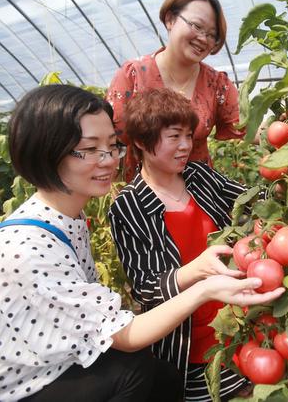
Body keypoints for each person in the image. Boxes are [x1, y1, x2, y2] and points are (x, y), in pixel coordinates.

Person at [0, 85, 283, 402]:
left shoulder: (66, 217)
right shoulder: (26, 249)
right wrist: (203, 286)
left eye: (111, 146)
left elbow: (252, 200)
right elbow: (126, 329)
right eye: (89, 149)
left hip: (40, 365)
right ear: (46, 152)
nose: (109, 160)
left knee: (151, 375)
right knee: (135, 373)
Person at [108, 88, 253, 401]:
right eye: (174, 137)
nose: (186, 145)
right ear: (142, 142)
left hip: (239, 320)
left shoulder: (199, 175)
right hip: (188, 343)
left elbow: (247, 199)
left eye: (188, 135)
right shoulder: (129, 206)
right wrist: (195, 272)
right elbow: (145, 287)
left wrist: (285, 181)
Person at [107, 0, 244, 182]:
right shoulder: (133, 76)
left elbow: (247, 125)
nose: (203, 39)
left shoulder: (217, 84)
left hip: (199, 194)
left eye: (212, 35)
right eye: (197, 26)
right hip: (146, 197)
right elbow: (109, 138)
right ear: (170, 19)